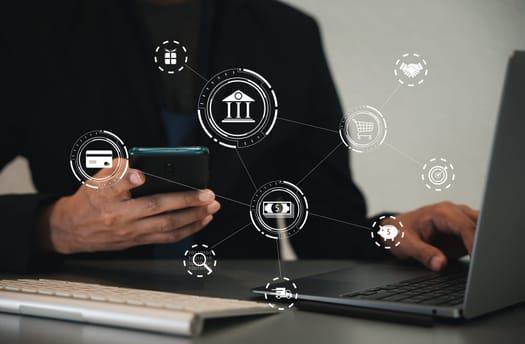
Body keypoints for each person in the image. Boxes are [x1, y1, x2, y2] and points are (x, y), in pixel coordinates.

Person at [0, 0, 477, 273]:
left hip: (243, 322)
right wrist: (52, 226)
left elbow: (327, 224)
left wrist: (392, 231)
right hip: (78, 310)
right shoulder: (24, 25)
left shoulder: (290, 34)